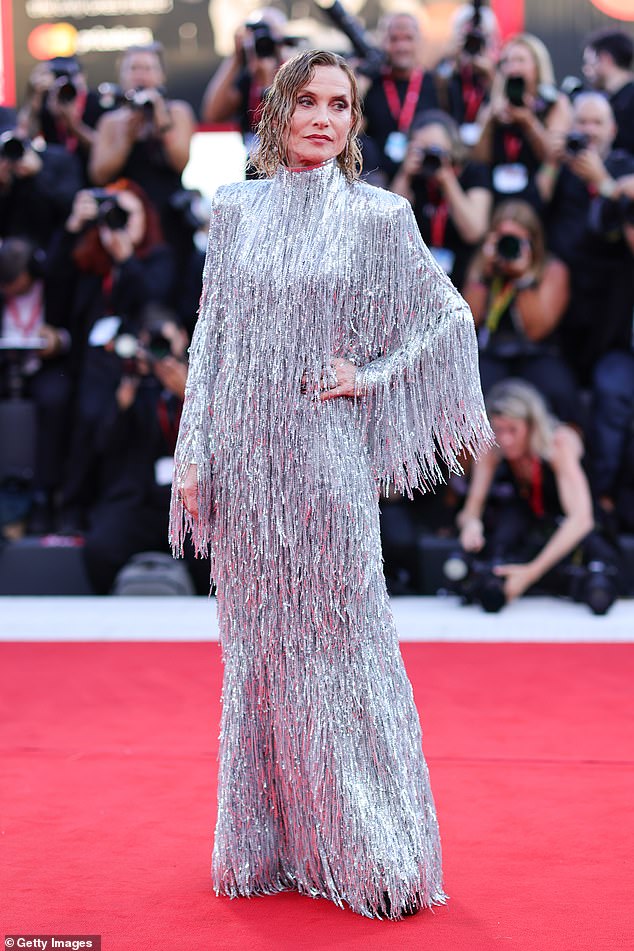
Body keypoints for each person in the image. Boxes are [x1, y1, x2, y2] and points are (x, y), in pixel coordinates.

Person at [170, 49, 492, 920]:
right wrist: (193, 450)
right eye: (306, 101)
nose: (322, 117)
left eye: (340, 105)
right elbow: (213, 338)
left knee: (346, 647)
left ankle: (371, 847)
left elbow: (449, 316)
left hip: (325, 463)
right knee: (263, 658)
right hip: (240, 463)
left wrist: (376, 373)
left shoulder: (379, 217)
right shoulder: (233, 207)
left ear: (356, 122)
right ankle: (269, 845)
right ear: (276, 112)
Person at [456, 379, 617, 611]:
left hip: (573, 531)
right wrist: (471, 526)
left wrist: (531, 573)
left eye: (513, 430)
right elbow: (472, 508)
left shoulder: (559, 442)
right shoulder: (492, 447)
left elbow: (581, 520)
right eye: (498, 430)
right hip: (531, 522)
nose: (505, 439)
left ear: (532, 425)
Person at [538, 92, 634, 385]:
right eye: (582, 122)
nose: (590, 130)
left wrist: (601, 180)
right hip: (563, 284)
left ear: (612, 130)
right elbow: (535, 205)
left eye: (597, 122)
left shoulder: (624, 168)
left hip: (610, 293)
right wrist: (551, 162)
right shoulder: (560, 168)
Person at [463, 199, 577, 424]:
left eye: (516, 240)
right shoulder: (484, 265)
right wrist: (484, 274)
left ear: (533, 241)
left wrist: (523, 278)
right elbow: (468, 322)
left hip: (536, 353)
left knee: (559, 391)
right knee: (466, 394)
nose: (509, 246)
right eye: (503, 239)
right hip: (490, 351)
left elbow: (537, 330)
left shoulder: (551, 268)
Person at [89, 43, 195, 243]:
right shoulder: (110, 121)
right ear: (121, 76)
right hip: (125, 217)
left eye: (148, 68)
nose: (141, 75)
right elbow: (98, 174)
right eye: (133, 68)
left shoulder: (178, 112)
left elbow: (180, 162)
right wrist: (126, 138)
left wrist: (161, 120)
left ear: (161, 75)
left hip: (168, 217)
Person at [391, 110, 492, 290]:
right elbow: (389, 227)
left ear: (453, 148)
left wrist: (447, 180)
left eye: (436, 150)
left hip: (461, 279)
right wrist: (405, 174)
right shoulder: (412, 178)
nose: (430, 158)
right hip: (413, 280)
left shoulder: (473, 173)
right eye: (423, 151)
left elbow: (474, 231)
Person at [473, 32, 571, 207]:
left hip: (537, 196)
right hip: (497, 195)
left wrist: (528, 122)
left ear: (537, 66)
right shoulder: (493, 105)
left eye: (520, 60)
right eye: (508, 62)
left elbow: (553, 156)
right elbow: (477, 160)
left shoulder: (555, 103)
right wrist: (490, 121)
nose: (513, 67)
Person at [362, 13, 438, 182]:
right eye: (394, 39)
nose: (401, 47)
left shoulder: (439, 85)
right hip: (377, 180)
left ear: (420, 42)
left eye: (408, 38)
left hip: (425, 181)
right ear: (383, 42)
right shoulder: (371, 83)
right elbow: (354, 130)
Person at [583, 29, 634, 156]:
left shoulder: (628, 101)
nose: (586, 70)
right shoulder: (609, 100)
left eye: (589, 62)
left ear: (605, 59)